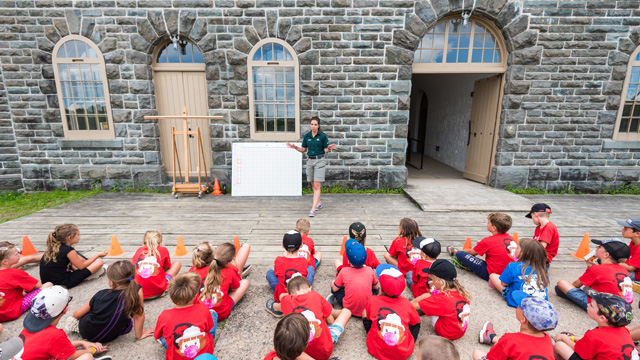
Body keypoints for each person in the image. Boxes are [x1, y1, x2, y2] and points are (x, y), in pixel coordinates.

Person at [65, 261, 153, 343]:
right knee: (128, 322)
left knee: (73, 319)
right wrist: (140, 334)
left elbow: (76, 314)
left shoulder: (101, 294)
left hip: (88, 333)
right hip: (112, 335)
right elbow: (139, 315)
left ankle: (74, 326)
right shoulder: (137, 289)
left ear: (111, 282)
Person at [19, 286, 112, 360]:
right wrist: (92, 350)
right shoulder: (54, 334)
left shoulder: (28, 328)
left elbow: (54, 345)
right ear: (65, 309)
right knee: (87, 357)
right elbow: (72, 356)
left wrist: (81, 343)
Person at [277, 276, 351, 360]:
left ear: (290, 294)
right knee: (346, 312)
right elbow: (331, 321)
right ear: (310, 288)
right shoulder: (314, 295)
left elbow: (281, 296)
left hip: (300, 353)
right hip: (325, 350)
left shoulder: (286, 301)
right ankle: (328, 307)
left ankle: (328, 307)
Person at [554, 288, 638, 360]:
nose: (587, 304)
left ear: (602, 318)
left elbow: (579, 350)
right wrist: (572, 338)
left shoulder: (594, 335)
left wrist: (564, 338)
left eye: (591, 305)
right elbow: (597, 343)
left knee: (560, 345)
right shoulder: (623, 330)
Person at [555, 238, 633, 311]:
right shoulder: (623, 270)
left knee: (561, 284)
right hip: (624, 308)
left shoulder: (596, 269)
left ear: (606, 255)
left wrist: (591, 269)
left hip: (604, 308)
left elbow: (576, 285)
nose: (596, 247)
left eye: (599, 247)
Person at [154, 272, 217, 360]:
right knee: (212, 313)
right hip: (204, 354)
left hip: (177, 356)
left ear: (171, 297)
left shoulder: (164, 316)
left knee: (163, 335)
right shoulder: (203, 309)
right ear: (195, 295)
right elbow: (208, 329)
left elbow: (156, 335)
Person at [363, 264, 420, 360]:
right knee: (415, 322)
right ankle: (408, 341)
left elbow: (368, 317)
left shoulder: (372, 300)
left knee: (364, 311)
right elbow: (416, 322)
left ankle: (372, 335)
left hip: (376, 350)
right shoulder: (406, 303)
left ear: (381, 288)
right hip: (403, 353)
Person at [473, 297, 557, 360]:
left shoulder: (510, 339)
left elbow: (491, 358)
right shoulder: (548, 340)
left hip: (509, 343)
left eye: (520, 306)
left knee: (477, 353)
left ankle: (491, 338)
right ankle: (491, 337)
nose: (517, 305)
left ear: (523, 320)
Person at [286, 116, 337, 217]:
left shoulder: (322, 136)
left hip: (319, 161)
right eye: (312, 124)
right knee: (314, 185)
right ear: (310, 125)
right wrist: (295, 147)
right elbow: (303, 149)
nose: (313, 126)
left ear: (318, 126)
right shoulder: (307, 136)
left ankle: (313, 209)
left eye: (315, 124)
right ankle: (319, 203)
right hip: (310, 161)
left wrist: (329, 148)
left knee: (317, 185)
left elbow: (325, 150)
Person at [411, 259, 471, 341]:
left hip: (446, 333)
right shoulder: (460, 291)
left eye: (432, 279)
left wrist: (425, 296)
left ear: (441, 282)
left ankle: (424, 308)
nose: (431, 281)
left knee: (428, 296)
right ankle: (427, 306)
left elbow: (412, 305)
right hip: (459, 331)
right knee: (439, 302)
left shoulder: (441, 299)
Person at [448, 212, 515, 282]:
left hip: (491, 274)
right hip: (509, 274)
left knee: (460, 254)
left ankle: (454, 251)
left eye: (488, 222)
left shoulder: (488, 241)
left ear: (493, 228)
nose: (487, 224)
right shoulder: (512, 239)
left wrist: (459, 251)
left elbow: (472, 252)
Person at [40, 224, 108, 289]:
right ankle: (87, 276)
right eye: (78, 234)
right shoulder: (69, 250)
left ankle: (86, 273)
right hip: (64, 282)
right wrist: (98, 255)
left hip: (47, 282)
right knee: (99, 262)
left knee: (77, 261)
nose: (80, 236)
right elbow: (81, 266)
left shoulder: (54, 247)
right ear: (69, 237)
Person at [0, 241, 52, 323]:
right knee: (48, 285)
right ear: (5, 261)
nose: (19, 254)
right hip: (10, 313)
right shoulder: (16, 273)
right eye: (16, 254)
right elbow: (38, 286)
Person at [489, 238, 549, 307]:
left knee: (493, 276)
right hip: (541, 301)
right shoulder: (542, 268)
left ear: (522, 253)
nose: (515, 249)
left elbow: (503, 283)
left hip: (518, 301)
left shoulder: (513, 266)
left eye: (517, 248)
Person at [328, 240, 379, 317]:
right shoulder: (369, 270)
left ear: (348, 261)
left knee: (334, 285)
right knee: (376, 290)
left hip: (348, 308)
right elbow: (376, 287)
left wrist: (333, 284)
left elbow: (335, 289)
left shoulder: (344, 271)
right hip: (366, 309)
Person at [200, 243, 249, 321]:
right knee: (245, 282)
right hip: (220, 313)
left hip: (201, 313)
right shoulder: (230, 270)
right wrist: (233, 266)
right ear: (230, 260)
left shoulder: (196, 269)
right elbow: (234, 289)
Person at [265, 231, 311, 311]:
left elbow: (276, 274)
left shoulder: (278, 260)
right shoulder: (303, 261)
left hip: (282, 295)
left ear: (283, 245)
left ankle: (284, 306)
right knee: (310, 269)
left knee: (270, 273)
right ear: (301, 245)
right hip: (299, 292)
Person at [132, 230, 182, 300]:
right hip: (158, 292)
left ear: (144, 242)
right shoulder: (163, 250)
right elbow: (167, 268)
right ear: (160, 242)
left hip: (137, 293)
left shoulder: (139, 250)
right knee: (177, 263)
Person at [617, 218, 640, 282]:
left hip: (636, 275)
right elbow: (627, 255)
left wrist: (615, 263)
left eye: (625, 229)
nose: (622, 230)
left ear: (637, 234)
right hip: (632, 267)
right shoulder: (633, 242)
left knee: (613, 271)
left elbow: (631, 268)